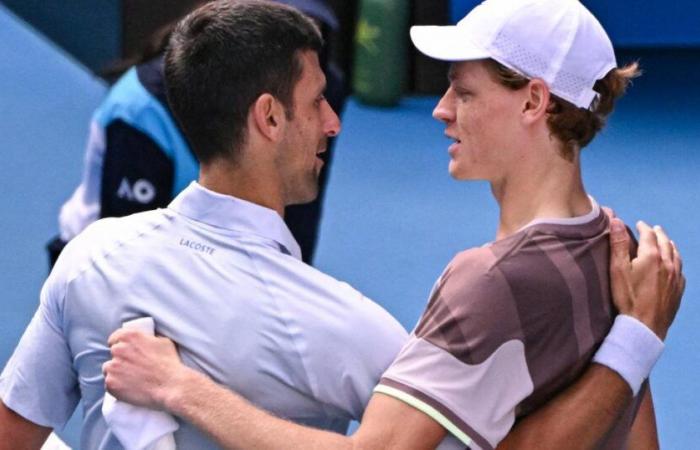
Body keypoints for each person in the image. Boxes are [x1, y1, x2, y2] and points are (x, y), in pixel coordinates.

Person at [0, 0, 683, 449]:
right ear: (269, 119)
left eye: (464, 92)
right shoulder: (620, 254)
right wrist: (633, 347)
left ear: (535, 101)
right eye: (321, 99)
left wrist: (181, 388)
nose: (441, 111)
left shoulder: (485, 283)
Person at [47, 0, 345, 267]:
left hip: (217, 255)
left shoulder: (319, 88)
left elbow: (300, 219)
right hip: (105, 265)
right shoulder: (140, 112)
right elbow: (125, 261)